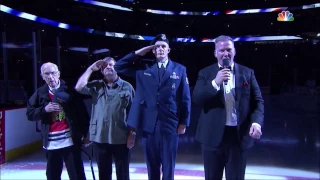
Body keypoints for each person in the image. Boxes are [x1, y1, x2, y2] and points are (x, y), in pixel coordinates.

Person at [114, 34, 191, 180]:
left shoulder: (180, 69)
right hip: (149, 124)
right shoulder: (144, 69)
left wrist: (184, 122)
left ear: (169, 50)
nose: (160, 49)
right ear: (152, 51)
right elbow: (119, 67)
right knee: (152, 164)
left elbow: (185, 98)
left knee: (169, 164)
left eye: (163, 46)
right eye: (156, 47)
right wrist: (140, 52)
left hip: (170, 123)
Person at [192, 35, 264, 180]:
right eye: (221, 50)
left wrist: (256, 123)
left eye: (229, 50)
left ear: (234, 51)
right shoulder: (205, 73)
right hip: (212, 137)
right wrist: (215, 83)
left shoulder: (247, 73)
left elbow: (258, 102)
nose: (226, 53)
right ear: (215, 53)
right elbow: (197, 99)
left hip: (238, 137)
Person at [26, 62, 89, 180]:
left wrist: (86, 134)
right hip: (51, 144)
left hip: (70, 141)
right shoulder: (40, 94)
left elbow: (82, 114)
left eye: (53, 73)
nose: (50, 77)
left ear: (58, 74)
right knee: (52, 176)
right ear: (42, 76)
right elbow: (30, 114)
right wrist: (44, 110)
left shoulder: (70, 91)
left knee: (77, 175)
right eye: (47, 74)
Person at [75, 57, 135, 180]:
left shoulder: (127, 87)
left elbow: (133, 113)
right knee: (103, 173)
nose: (108, 67)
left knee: (123, 174)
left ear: (117, 68)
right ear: (101, 71)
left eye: (111, 65)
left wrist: (132, 133)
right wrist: (91, 68)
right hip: (100, 137)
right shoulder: (96, 85)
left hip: (121, 137)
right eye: (105, 66)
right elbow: (79, 87)